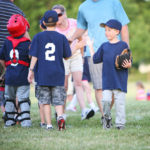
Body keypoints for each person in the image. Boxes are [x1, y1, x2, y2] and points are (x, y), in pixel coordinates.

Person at [69, 0, 130, 123]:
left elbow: (123, 26)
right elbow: (81, 28)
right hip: (94, 52)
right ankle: (105, 117)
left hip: (115, 52)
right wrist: (70, 38)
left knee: (114, 88)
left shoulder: (114, 3)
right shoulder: (83, 7)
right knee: (99, 87)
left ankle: (106, 113)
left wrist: (126, 50)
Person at [28, 10, 72, 131]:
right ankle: (60, 117)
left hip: (43, 75)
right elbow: (67, 56)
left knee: (45, 101)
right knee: (58, 101)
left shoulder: (38, 37)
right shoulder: (62, 38)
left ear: (44, 22)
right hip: (58, 74)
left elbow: (34, 56)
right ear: (57, 22)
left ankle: (48, 124)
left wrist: (31, 71)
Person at [52, 4, 95, 120]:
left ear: (64, 14)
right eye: (54, 16)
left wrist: (81, 55)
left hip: (76, 56)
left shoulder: (74, 23)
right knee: (64, 86)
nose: (57, 18)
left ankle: (84, 111)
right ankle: (61, 113)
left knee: (78, 83)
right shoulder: (54, 30)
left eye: (59, 15)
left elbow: (80, 38)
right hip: (63, 58)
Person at [89, 19, 132, 129]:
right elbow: (95, 59)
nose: (106, 32)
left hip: (119, 80)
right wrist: (90, 46)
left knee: (120, 103)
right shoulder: (104, 46)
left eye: (109, 30)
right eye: (105, 30)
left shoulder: (123, 45)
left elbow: (129, 60)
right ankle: (107, 119)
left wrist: (128, 65)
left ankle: (120, 124)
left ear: (117, 31)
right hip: (107, 80)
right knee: (106, 101)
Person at [0, 14, 31, 127]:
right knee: (23, 99)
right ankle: (26, 122)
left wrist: (7, 68)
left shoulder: (7, 42)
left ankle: (9, 121)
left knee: (9, 99)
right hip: (23, 76)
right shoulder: (27, 43)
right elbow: (31, 58)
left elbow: (1, 58)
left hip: (10, 77)